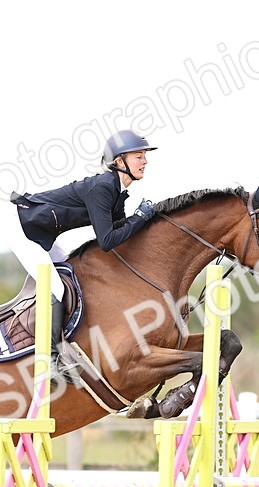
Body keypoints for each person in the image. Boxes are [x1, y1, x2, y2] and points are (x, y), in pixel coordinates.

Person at [11, 129, 158, 378]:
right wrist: (141, 217)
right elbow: (108, 240)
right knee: (56, 289)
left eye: (144, 156)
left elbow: (121, 231)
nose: (145, 161)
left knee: (76, 276)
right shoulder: (103, 187)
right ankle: (52, 361)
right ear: (120, 162)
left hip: (42, 234)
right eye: (138, 156)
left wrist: (142, 222)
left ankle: (72, 341)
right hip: (21, 229)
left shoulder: (117, 191)